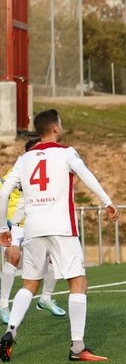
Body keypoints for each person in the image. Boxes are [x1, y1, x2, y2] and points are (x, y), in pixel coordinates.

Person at [0, 109, 119, 362]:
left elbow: (4, 192)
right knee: (78, 281)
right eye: (61, 123)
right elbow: (86, 174)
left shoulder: (24, 159)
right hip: (62, 228)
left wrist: (3, 228)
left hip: (32, 228)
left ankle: (11, 331)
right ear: (55, 128)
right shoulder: (67, 152)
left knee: (30, 284)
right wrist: (107, 201)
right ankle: (77, 347)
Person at [1, 138, 66, 324]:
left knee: (55, 257)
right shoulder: (16, 171)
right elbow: (1, 194)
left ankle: (45, 298)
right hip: (14, 225)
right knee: (13, 256)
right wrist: (4, 225)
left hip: (36, 224)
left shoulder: (48, 172)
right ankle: (3, 305)